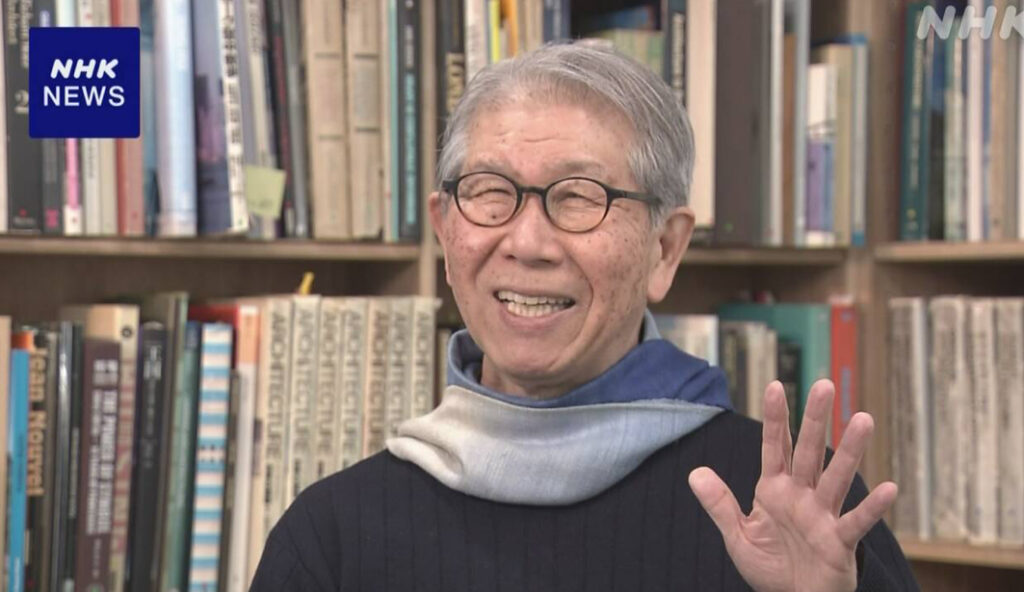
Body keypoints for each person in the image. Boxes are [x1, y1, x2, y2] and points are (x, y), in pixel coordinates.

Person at [250, 42, 917, 591]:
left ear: (664, 249)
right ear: (446, 234)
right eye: (490, 193)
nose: (527, 243)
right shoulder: (333, 535)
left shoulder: (792, 507)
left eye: (578, 197)